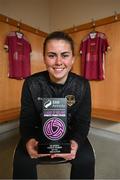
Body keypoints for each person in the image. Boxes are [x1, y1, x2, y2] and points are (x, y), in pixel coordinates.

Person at [13, 31, 95, 179]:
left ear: (72, 59)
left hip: (70, 133)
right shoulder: (31, 83)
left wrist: (75, 142)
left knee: (86, 159)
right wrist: (30, 140)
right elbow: (26, 120)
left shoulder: (82, 85)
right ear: (44, 58)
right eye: (51, 55)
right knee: (22, 161)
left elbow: (83, 122)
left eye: (64, 55)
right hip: (39, 133)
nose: (58, 62)